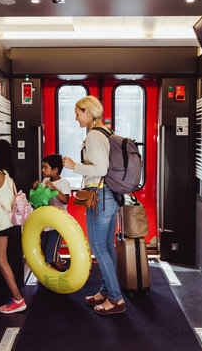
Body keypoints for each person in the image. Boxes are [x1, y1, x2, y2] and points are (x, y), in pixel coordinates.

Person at [62, 95, 126, 315]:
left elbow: (100, 169)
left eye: (78, 113)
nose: (76, 118)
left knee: (99, 249)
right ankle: (106, 292)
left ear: (88, 112)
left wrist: (74, 166)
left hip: (100, 196)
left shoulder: (94, 136)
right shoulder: (107, 132)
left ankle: (116, 300)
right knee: (107, 247)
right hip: (109, 195)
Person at [0, 139, 27, 314]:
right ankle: (16, 298)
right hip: (5, 221)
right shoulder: (6, 174)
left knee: (1, 261)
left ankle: (18, 300)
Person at [32, 153, 71, 272]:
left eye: (45, 167)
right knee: (45, 251)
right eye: (42, 167)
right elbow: (40, 199)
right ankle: (54, 278)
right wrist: (36, 188)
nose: (43, 170)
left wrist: (54, 188)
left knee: (51, 254)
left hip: (58, 225)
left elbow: (65, 200)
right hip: (45, 224)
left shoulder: (64, 182)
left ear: (55, 170)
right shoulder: (44, 181)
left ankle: (64, 277)